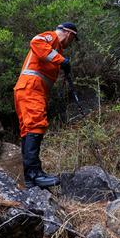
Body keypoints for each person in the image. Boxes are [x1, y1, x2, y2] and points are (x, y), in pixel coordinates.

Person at [14, 22, 79, 188]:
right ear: (68, 34)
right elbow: (36, 41)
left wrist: (62, 64)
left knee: (28, 129)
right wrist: (61, 60)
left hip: (32, 89)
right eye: (72, 39)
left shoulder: (57, 49)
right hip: (31, 88)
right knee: (35, 126)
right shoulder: (52, 37)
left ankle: (31, 177)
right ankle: (34, 175)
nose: (70, 43)